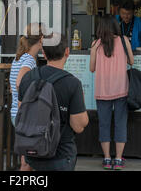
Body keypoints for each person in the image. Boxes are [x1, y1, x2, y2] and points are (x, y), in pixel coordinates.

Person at [18, 33, 89, 171]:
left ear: (43, 53)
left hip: (33, 152)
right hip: (60, 155)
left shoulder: (28, 78)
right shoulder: (72, 84)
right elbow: (78, 126)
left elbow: (22, 113)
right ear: (67, 52)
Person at [90, 15, 134, 170]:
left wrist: (95, 51)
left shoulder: (96, 44)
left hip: (102, 90)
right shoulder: (124, 41)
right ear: (116, 26)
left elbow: (92, 68)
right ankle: (118, 160)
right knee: (120, 123)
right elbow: (131, 61)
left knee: (104, 124)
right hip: (121, 89)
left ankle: (107, 159)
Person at [9, 23, 44, 171]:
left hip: (16, 113)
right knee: (28, 162)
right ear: (41, 39)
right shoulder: (29, 60)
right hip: (25, 115)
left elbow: (13, 87)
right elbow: (18, 83)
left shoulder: (18, 58)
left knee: (27, 158)